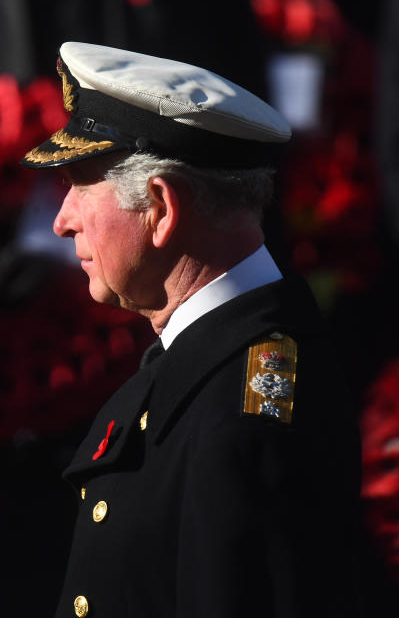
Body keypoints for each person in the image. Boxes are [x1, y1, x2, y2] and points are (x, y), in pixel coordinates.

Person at [21, 42, 362, 618]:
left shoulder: (243, 415)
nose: (61, 222)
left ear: (160, 208)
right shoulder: (210, 366)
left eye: (80, 185)